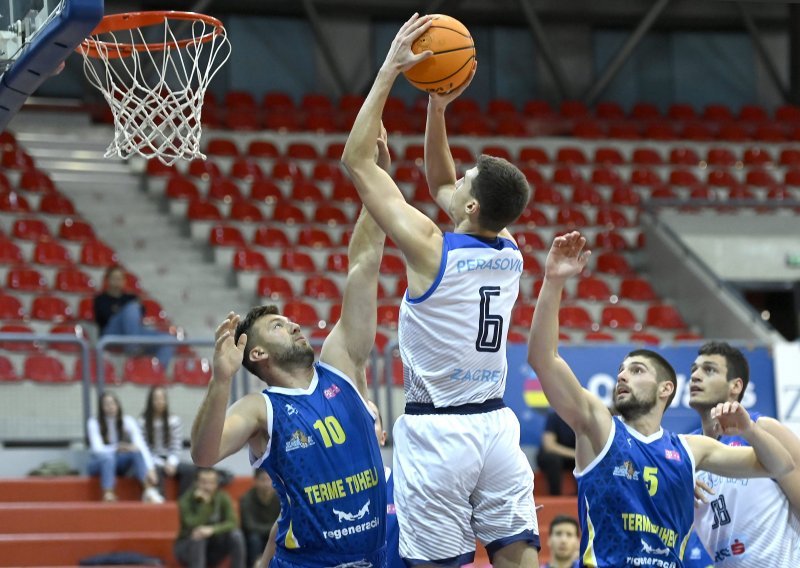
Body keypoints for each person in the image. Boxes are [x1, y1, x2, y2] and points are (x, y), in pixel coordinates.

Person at [341, 14, 538, 567]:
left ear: (472, 207)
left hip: (439, 432)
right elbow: (442, 184)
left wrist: (389, 72)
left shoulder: (432, 245)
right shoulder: (510, 249)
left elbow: (356, 160)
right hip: (497, 426)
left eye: (467, 183)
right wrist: (436, 107)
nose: (456, 183)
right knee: (518, 554)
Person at [527, 231, 795, 567]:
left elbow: (782, 466)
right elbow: (543, 359)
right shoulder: (599, 428)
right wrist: (553, 281)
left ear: (666, 389)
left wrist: (751, 432)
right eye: (621, 370)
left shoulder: (689, 449)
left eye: (637, 370)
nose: (622, 376)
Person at [191, 132, 390, 568]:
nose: (294, 324)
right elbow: (204, 456)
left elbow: (364, 264)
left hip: (375, 556)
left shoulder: (341, 363)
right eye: (278, 326)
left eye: (289, 320)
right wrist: (220, 379)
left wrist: (378, 184)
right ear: (258, 355)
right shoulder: (262, 409)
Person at [688, 340, 800, 564]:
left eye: (709, 369)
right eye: (694, 370)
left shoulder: (765, 429)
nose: (696, 376)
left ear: (736, 387)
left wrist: (751, 432)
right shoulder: (688, 450)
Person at [258, 399, 402, 568]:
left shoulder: (403, 485)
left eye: (372, 419)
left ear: (383, 437)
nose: (363, 424)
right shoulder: (323, 488)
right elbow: (279, 534)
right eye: (355, 419)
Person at [86, 391, 164, 503]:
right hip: (98, 463)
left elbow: (140, 445)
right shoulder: (93, 422)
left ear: (118, 405)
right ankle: (108, 493)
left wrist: (150, 468)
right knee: (108, 458)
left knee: (135, 452)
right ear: (101, 407)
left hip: (119, 463)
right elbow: (97, 449)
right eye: (106, 404)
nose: (110, 407)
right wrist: (117, 448)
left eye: (113, 403)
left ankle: (148, 491)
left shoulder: (127, 421)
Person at [93, 265, 174, 368]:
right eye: (114, 278)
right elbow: (104, 317)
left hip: (133, 331)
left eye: (119, 279)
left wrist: (126, 312)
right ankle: (133, 347)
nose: (117, 281)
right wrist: (127, 312)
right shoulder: (100, 299)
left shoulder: (130, 297)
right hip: (111, 333)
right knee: (132, 308)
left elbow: (141, 314)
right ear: (107, 280)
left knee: (168, 340)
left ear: (124, 281)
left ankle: (157, 374)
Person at [174, 467, 245, 568]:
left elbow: (233, 522)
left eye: (211, 483)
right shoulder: (185, 500)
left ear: (216, 484)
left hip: (214, 547)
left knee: (236, 535)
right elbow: (191, 524)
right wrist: (204, 505)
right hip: (188, 546)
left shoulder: (222, 498)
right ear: (196, 483)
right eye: (203, 482)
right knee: (198, 535)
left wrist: (212, 530)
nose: (207, 487)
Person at [139, 385, 195, 497]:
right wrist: (161, 463)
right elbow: (144, 449)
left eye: (162, 398)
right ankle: (161, 504)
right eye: (156, 398)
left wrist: (171, 462)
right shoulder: (142, 421)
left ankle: (182, 503)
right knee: (156, 472)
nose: (159, 402)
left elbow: (176, 446)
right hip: (152, 461)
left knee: (190, 470)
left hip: (170, 458)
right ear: (151, 401)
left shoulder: (174, 420)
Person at [240, 469, 280, 568]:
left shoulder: (280, 497)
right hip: (255, 535)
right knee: (254, 539)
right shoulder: (247, 498)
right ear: (256, 481)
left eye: (269, 480)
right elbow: (249, 525)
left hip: (274, 534)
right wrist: (272, 529)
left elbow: (283, 522)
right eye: (263, 480)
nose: (267, 484)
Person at [537, 410, 576, 496]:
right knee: (553, 460)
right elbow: (549, 446)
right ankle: (555, 495)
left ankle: (580, 495)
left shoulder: (582, 419)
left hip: (572, 458)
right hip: (554, 457)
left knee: (585, 460)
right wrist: (575, 454)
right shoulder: (554, 417)